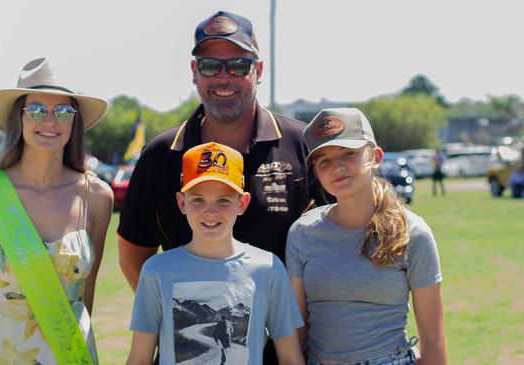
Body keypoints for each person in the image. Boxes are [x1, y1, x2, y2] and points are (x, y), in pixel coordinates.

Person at [117, 11, 317, 363]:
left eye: (238, 65)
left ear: (259, 69)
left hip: (293, 348)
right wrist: (182, 308)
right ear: (194, 72)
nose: (224, 77)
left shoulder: (301, 144)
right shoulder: (161, 154)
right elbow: (134, 253)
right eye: (211, 65)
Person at [0, 58, 113, 364]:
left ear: (74, 121)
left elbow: (84, 296)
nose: (50, 122)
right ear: (19, 118)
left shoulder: (96, 197)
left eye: (64, 111)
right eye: (37, 110)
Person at [286, 108, 448, 365]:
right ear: (316, 171)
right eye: (323, 160)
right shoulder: (302, 233)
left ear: (376, 156)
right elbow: (298, 332)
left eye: (349, 154)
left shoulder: (413, 232)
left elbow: (433, 340)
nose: (337, 167)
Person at [126, 142, 305, 365]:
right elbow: (139, 358)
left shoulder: (268, 268)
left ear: (242, 203)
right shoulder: (157, 270)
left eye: (223, 200)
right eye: (198, 199)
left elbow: (290, 357)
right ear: (182, 203)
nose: (210, 212)